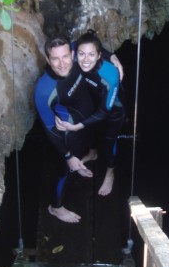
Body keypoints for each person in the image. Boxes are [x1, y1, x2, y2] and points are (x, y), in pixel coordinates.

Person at [55, 30, 125, 197]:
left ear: (99, 55)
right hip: (92, 105)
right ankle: (92, 154)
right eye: (81, 54)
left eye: (91, 55)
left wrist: (77, 126)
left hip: (112, 112)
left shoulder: (110, 75)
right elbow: (69, 48)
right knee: (90, 133)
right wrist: (112, 55)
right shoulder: (75, 57)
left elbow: (103, 112)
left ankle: (110, 172)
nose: (85, 60)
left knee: (108, 143)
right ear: (75, 54)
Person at [34, 35, 95, 223]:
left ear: (73, 53)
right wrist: (68, 156)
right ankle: (56, 207)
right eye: (55, 59)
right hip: (67, 132)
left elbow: (92, 44)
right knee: (64, 171)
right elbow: (50, 128)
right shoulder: (44, 89)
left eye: (65, 57)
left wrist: (113, 57)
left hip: (84, 121)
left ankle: (82, 161)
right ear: (47, 60)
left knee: (88, 146)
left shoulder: (78, 54)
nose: (62, 64)